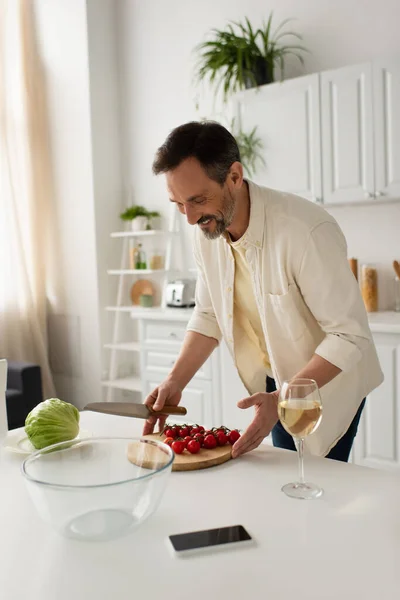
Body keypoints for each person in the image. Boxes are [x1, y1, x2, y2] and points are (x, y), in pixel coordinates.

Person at [142, 121, 383, 461]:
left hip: (328, 382)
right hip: (274, 381)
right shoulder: (206, 230)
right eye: (178, 203)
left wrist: (284, 398)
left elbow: (348, 335)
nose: (189, 218)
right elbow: (209, 314)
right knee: (288, 479)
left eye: (197, 200)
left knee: (320, 481)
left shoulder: (305, 231)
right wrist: (174, 382)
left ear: (235, 177)